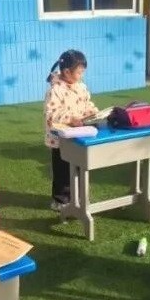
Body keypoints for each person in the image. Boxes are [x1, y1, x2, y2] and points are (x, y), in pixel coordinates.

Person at [43, 50, 94, 212]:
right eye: (79, 72)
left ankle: (78, 197)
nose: (81, 75)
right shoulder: (55, 90)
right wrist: (71, 119)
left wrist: (94, 114)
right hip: (60, 140)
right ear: (66, 72)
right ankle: (60, 200)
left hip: (79, 136)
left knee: (79, 167)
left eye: (82, 72)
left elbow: (87, 104)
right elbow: (51, 114)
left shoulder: (81, 87)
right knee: (63, 171)